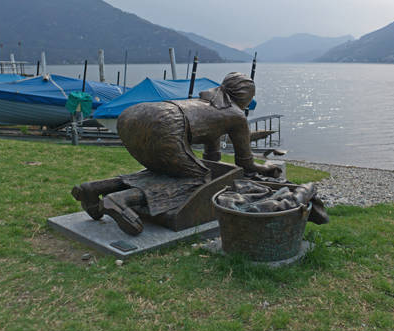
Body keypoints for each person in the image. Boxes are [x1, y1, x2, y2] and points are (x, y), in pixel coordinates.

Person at [72, 72, 281, 235]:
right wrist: (267, 167)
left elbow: (212, 154)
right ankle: (119, 200)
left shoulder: (208, 103)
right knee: (196, 179)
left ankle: (93, 188)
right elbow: (245, 163)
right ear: (245, 96)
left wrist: (209, 165)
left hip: (133, 115)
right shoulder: (235, 115)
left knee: (163, 172)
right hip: (168, 122)